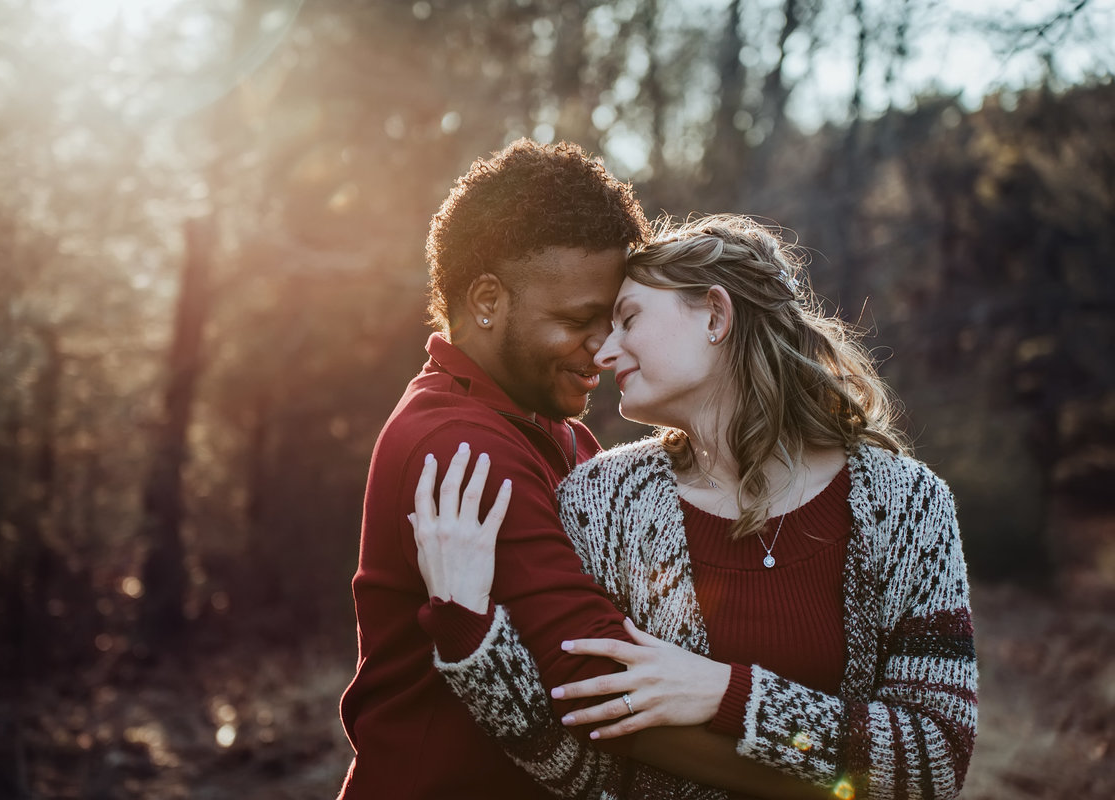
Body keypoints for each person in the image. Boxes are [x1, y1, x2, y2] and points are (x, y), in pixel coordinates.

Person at [411, 214, 978, 800]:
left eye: (627, 319)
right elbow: (582, 764)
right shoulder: (602, 501)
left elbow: (937, 761)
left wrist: (727, 693)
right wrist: (470, 634)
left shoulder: (908, 503)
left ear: (715, 314)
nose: (604, 353)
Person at [338, 137, 677, 799]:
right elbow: (598, 672)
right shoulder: (460, 448)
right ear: (488, 300)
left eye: (611, 322)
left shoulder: (568, 440)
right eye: (580, 321)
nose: (605, 350)